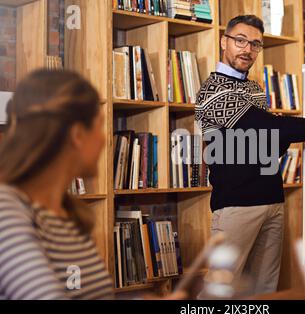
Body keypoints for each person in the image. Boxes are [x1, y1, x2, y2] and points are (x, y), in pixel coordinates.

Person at [195, 15, 305, 296]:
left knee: (263, 292)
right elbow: (273, 129)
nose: (247, 49)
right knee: (218, 293)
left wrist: (276, 134)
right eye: (240, 40)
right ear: (223, 42)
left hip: (272, 200)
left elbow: (274, 142)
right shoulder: (212, 91)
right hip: (236, 207)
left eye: (255, 44)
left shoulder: (253, 89)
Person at [0, 70, 188, 300]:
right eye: (99, 127)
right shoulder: (7, 208)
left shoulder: (68, 213)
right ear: (77, 135)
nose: (104, 140)